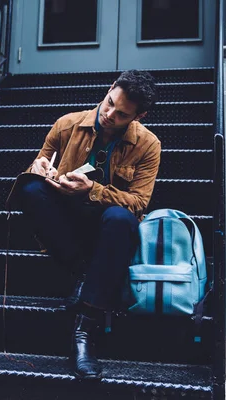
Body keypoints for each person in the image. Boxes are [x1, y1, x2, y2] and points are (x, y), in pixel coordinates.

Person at [16, 70, 160, 380]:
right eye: (109, 103)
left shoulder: (148, 145)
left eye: (122, 114)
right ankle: (83, 271)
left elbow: (139, 203)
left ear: (139, 116)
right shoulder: (67, 124)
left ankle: (83, 331)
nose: (109, 114)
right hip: (66, 222)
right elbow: (42, 163)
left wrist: (91, 191)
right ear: (110, 89)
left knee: (123, 218)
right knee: (29, 189)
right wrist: (38, 168)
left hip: (109, 228)